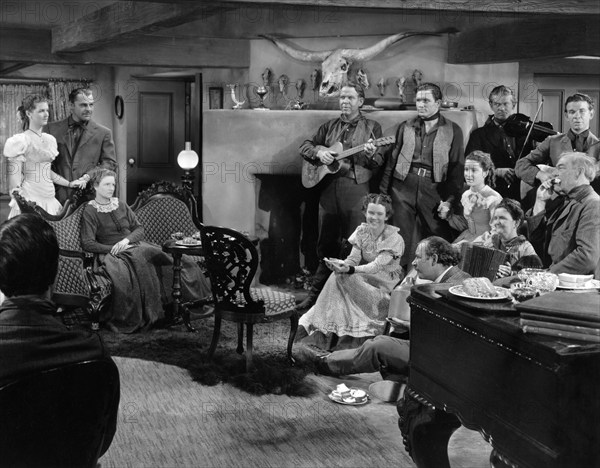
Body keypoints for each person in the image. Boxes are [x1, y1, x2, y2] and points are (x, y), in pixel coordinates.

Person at [298, 236, 470, 392]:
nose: (414, 262)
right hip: (433, 350)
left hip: (437, 359)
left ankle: (322, 363)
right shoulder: (453, 279)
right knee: (383, 339)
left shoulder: (454, 286)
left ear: (434, 259)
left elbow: (450, 333)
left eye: (419, 257)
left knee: (378, 346)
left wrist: (410, 326)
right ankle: (328, 360)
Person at [80, 169, 211, 332]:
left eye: (113, 184)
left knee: (175, 259)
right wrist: (114, 247)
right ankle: (154, 315)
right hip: (113, 254)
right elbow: (88, 243)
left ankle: (184, 306)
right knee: (142, 260)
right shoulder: (90, 211)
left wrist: (126, 240)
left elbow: (139, 229)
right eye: (107, 184)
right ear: (95, 186)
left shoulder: (120, 205)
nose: (111, 188)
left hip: (135, 245)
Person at [297, 82, 384, 310]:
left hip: (356, 189)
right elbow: (305, 146)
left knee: (355, 244)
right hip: (328, 189)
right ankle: (316, 297)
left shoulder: (373, 128)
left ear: (360, 102)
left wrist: (372, 153)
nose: (345, 102)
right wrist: (320, 151)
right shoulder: (329, 127)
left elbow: (379, 161)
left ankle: (351, 301)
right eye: (342, 98)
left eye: (350, 98)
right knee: (326, 243)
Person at [297, 193, 404, 351]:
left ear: (386, 216)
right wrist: (341, 265)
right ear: (364, 212)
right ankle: (329, 334)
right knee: (338, 275)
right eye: (371, 213)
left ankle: (328, 334)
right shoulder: (362, 231)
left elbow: (375, 267)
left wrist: (350, 269)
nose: (374, 217)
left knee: (342, 278)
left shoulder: (394, 239)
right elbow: (353, 259)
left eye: (379, 214)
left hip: (383, 287)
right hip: (365, 279)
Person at [380, 82, 464, 268]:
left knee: (437, 238)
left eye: (426, 100)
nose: (421, 104)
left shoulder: (452, 129)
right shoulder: (406, 126)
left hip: (434, 187)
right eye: (418, 100)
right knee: (400, 238)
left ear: (438, 103)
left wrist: (449, 200)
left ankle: (435, 283)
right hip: (402, 185)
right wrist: (383, 194)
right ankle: (397, 284)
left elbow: (457, 170)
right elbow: (392, 163)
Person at [3, 94, 87, 218]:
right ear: (29, 114)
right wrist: (22, 203)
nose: (46, 114)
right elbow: (14, 183)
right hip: (31, 199)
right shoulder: (20, 141)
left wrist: (69, 184)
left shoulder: (50, 140)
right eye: (41, 111)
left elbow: (47, 172)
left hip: (50, 199)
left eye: (47, 110)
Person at [527, 152, 600, 278]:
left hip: (574, 285)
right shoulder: (562, 201)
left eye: (560, 168)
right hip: (553, 278)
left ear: (578, 172)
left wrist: (548, 275)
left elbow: (586, 257)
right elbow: (536, 241)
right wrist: (540, 201)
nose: (554, 173)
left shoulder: (593, 204)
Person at [515, 93, 600, 199]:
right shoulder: (553, 141)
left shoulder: (598, 146)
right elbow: (520, 165)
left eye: (582, 111)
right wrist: (541, 175)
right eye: (572, 112)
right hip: (557, 202)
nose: (577, 116)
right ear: (566, 116)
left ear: (591, 114)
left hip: (588, 204)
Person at [45, 87, 117, 205]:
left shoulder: (103, 133)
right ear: (71, 105)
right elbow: (46, 164)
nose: (88, 109)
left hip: (89, 196)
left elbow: (109, 163)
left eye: (91, 105)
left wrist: (88, 176)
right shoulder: (51, 129)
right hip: (57, 196)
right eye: (83, 105)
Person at [465, 85, 532, 200]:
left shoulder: (525, 132)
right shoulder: (478, 135)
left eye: (505, 104)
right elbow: (471, 166)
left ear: (513, 105)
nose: (501, 108)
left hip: (522, 192)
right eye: (497, 104)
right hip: (491, 193)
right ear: (491, 105)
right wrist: (496, 171)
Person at [443, 151, 502, 243]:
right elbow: (467, 225)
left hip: (486, 243)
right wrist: (449, 216)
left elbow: (497, 233)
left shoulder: (493, 198)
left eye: (474, 170)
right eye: (466, 169)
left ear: (485, 173)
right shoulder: (466, 195)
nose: (468, 175)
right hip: (467, 237)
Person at [471, 198, 539, 278]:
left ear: (516, 223)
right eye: (495, 218)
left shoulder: (526, 248)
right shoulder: (488, 240)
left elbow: (536, 276)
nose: (496, 222)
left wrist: (512, 274)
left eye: (502, 218)